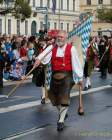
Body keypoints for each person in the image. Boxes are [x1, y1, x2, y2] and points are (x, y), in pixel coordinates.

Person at [34, 30, 83, 131]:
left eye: (61, 37)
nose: (59, 38)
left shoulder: (71, 48)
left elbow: (76, 63)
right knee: (53, 98)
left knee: (64, 98)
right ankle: (63, 113)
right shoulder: (52, 47)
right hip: (55, 75)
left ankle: (60, 121)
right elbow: (43, 56)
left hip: (67, 76)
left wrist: (80, 77)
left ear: (66, 38)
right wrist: (38, 60)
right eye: (58, 37)